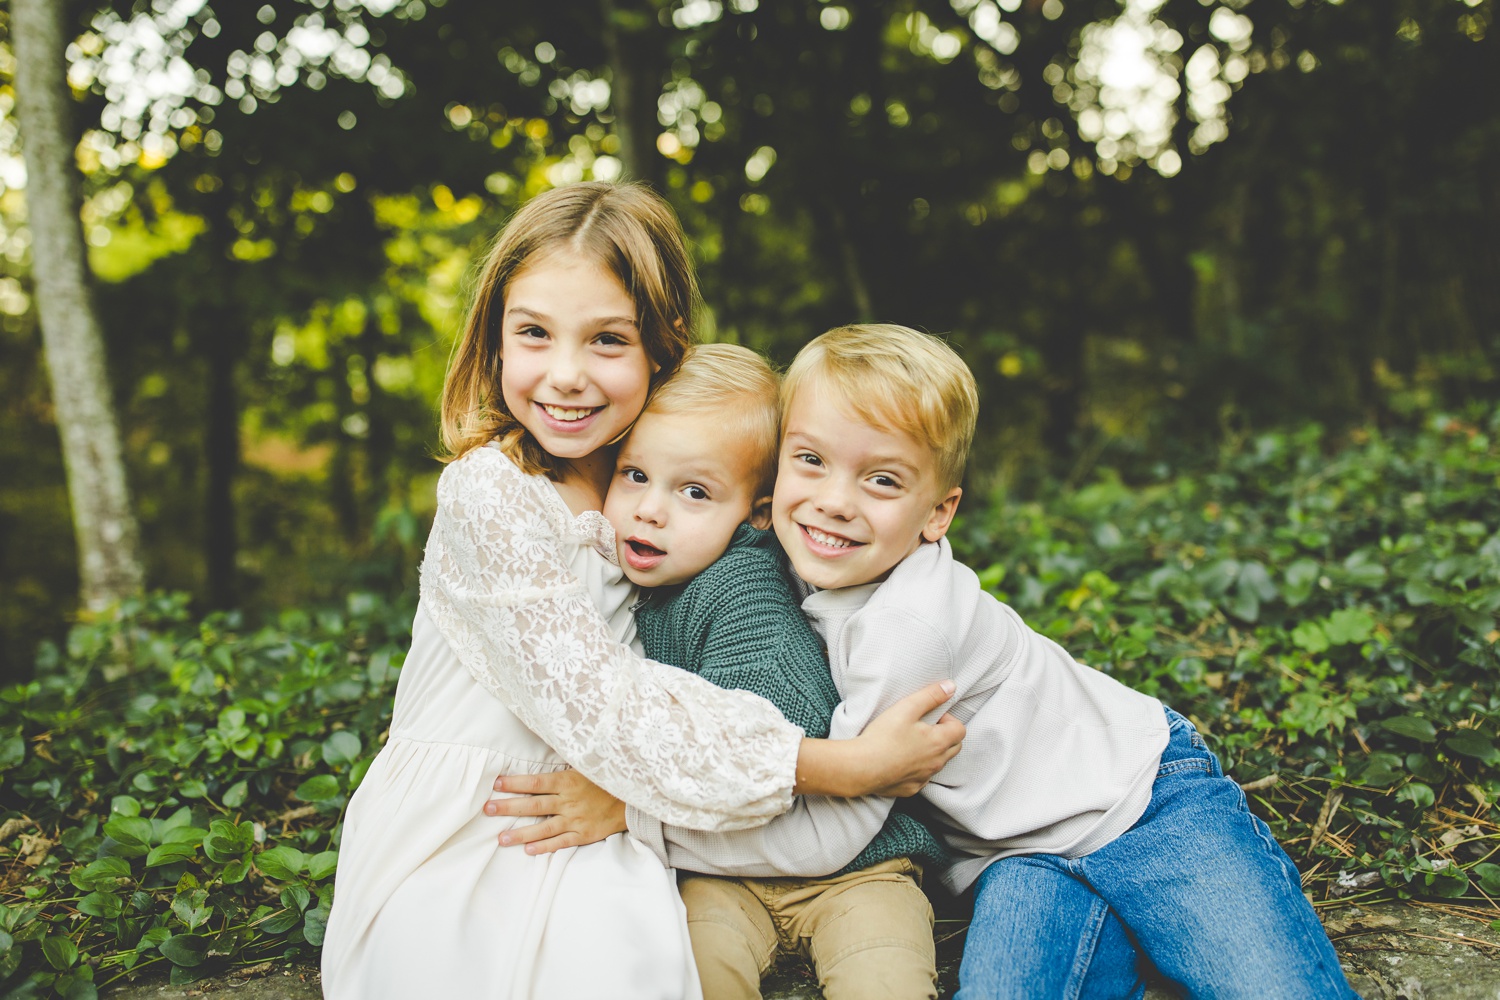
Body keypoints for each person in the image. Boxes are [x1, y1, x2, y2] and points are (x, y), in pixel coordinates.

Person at [496, 324, 1357, 999]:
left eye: (881, 481)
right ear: (771, 481)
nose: (832, 500)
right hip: (1015, 859)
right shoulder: (777, 562)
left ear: (937, 512)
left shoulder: (907, 627)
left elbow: (840, 824)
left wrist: (640, 814)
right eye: (810, 461)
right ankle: (1122, 933)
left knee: (1269, 985)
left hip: (1140, 799)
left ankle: (1155, 910)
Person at [319, 189, 964, 1000]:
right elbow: (607, 706)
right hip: (482, 822)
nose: (565, 375)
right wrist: (840, 765)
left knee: (638, 968)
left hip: (614, 803)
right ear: (493, 339)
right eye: (533, 334)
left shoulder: (664, 479)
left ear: (664, 348)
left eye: (608, 340)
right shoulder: (493, 493)